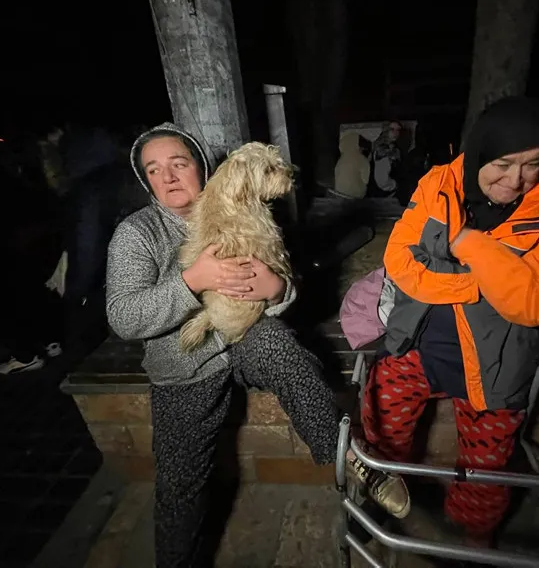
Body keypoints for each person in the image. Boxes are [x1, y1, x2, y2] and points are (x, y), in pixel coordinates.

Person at [105, 123, 410, 568]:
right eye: (154, 170)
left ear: (202, 167)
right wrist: (192, 281)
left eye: (178, 163)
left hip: (246, 336)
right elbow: (123, 316)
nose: (167, 177)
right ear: (145, 180)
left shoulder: (245, 207)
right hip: (185, 363)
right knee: (180, 487)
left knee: (281, 348)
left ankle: (350, 457)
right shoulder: (138, 234)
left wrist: (278, 289)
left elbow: (287, 281)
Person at [360, 96, 539, 552]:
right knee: (380, 428)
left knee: (486, 468)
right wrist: (477, 287)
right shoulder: (440, 182)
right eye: (503, 164)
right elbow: (400, 260)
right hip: (417, 344)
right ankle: (382, 504)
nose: (516, 180)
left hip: (496, 363)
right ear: (481, 151)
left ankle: (473, 542)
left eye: (532, 164)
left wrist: (466, 242)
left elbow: (535, 304)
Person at [370, 120, 403, 196]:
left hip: (389, 191)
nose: (395, 133)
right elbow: (382, 179)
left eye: (398, 130)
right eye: (392, 129)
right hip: (383, 193)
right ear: (386, 130)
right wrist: (395, 186)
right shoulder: (381, 149)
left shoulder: (395, 148)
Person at [333, 131, 371, 198]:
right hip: (355, 195)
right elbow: (366, 181)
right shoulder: (362, 159)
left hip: (338, 194)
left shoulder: (340, 159)